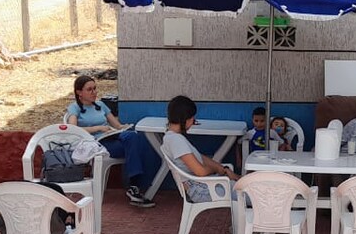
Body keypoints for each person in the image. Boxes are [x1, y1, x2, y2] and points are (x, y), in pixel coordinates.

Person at [66, 75, 155, 208]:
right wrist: (98, 128)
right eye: (89, 89)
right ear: (79, 92)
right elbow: (72, 129)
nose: (94, 92)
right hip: (96, 143)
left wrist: (124, 127)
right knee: (132, 146)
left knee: (133, 137)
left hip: (111, 137)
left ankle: (134, 186)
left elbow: (117, 125)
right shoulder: (75, 108)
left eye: (95, 89)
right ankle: (135, 187)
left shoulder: (101, 105)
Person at [162, 96, 240, 203]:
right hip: (201, 190)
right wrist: (219, 170)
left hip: (202, 186)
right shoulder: (176, 140)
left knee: (247, 189)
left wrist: (223, 169)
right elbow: (201, 171)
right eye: (193, 119)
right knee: (252, 195)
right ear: (187, 120)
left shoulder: (171, 137)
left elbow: (200, 157)